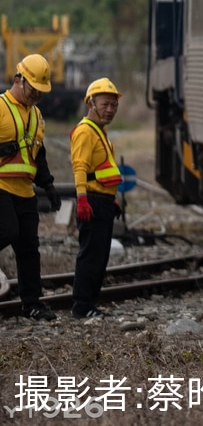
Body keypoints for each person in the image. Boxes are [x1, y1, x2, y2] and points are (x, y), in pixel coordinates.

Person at [0, 54, 61, 321]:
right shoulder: (1, 107)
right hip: (1, 186)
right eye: (34, 90)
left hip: (25, 192)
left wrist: (48, 185)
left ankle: (32, 304)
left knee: (28, 248)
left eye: (41, 92)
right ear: (18, 80)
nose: (37, 95)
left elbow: (38, 154)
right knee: (7, 231)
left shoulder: (36, 115)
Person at [70, 77, 124, 320]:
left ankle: (90, 303)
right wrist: (82, 199)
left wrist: (110, 198)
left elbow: (102, 169)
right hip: (90, 201)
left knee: (100, 255)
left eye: (114, 105)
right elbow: (80, 167)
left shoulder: (100, 133)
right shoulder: (85, 131)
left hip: (101, 201)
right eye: (105, 104)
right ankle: (82, 306)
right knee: (91, 255)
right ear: (91, 103)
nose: (110, 110)